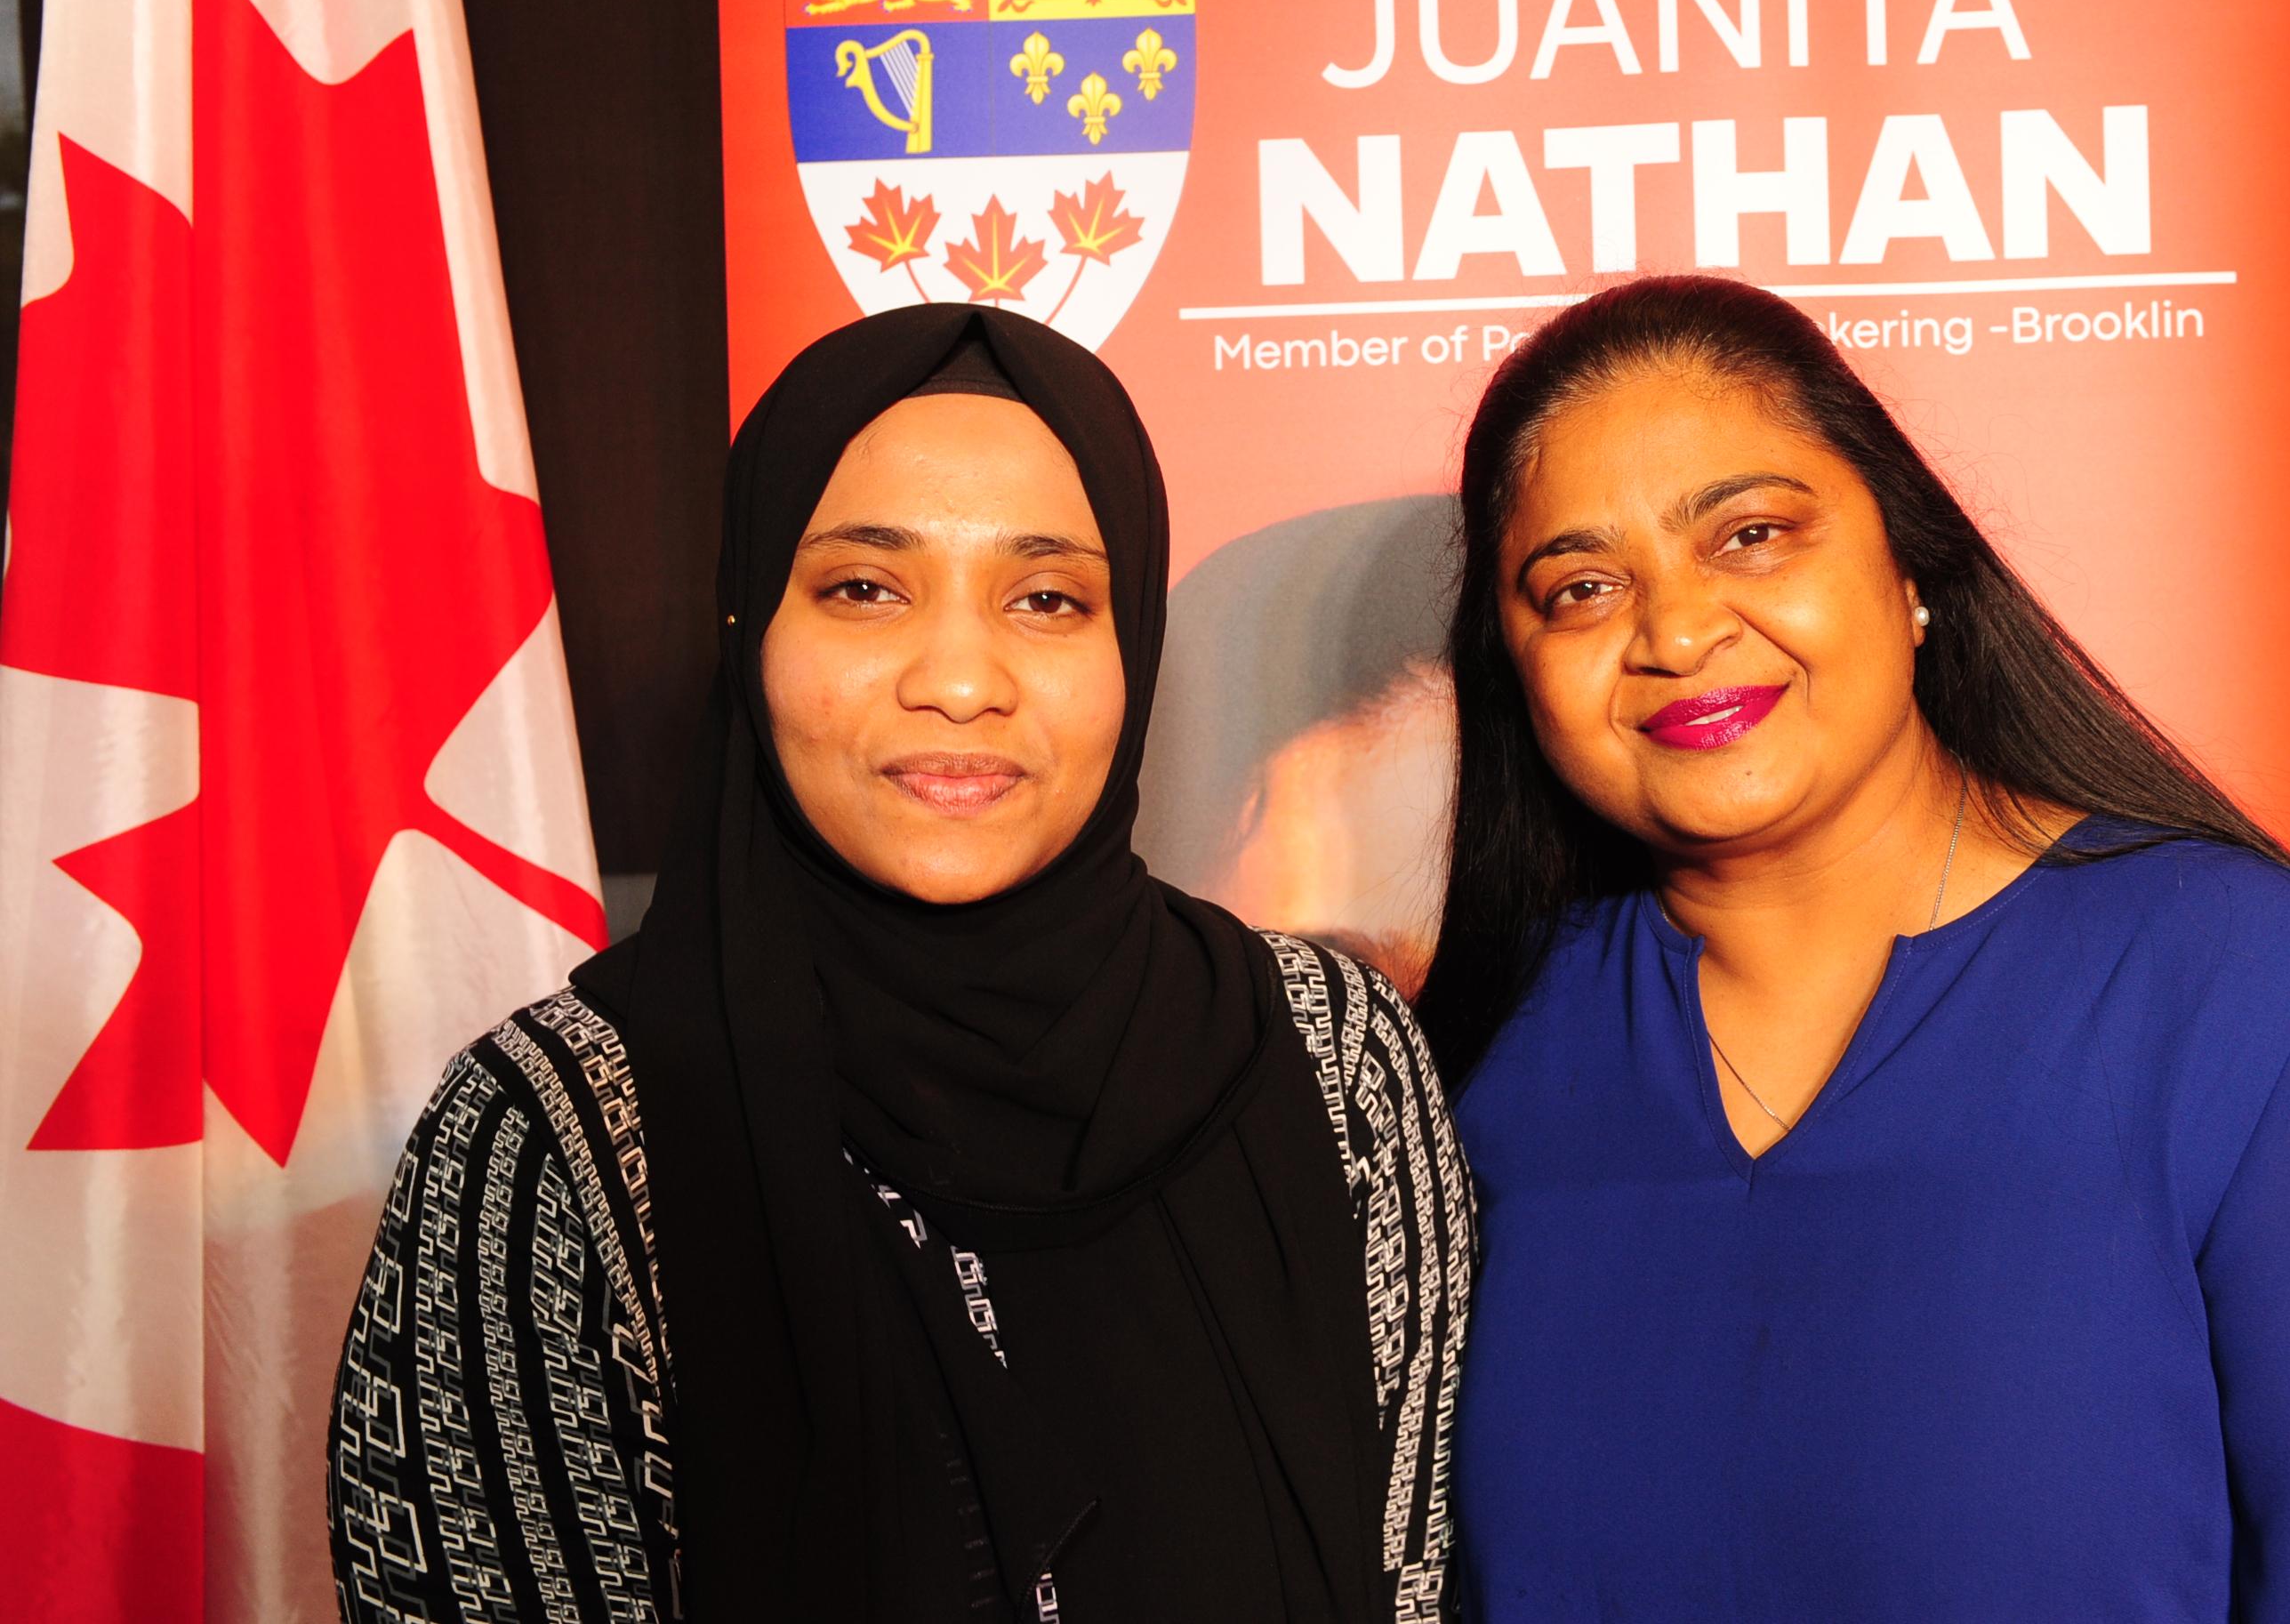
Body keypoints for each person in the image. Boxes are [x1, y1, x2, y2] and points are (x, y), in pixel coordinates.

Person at [1426, 276, 2290, 1620]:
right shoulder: (1482, 1067)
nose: (1679, 630)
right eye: (1581, 588)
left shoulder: (2246, 1001)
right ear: (1517, 670)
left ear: (1911, 570)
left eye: (1751, 536)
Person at [327, 306, 1470, 1624]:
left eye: (1047, 599)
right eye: (865, 589)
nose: (961, 681)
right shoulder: (558, 1133)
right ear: (750, 626)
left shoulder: (1333, 1056)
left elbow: (1413, 1582)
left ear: (1133, 651)